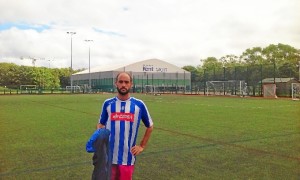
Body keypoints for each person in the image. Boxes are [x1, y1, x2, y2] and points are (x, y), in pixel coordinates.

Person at [96, 72, 154, 180]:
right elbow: (100, 124)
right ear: (116, 83)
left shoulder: (139, 105)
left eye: (126, 82)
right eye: (121, 82)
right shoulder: (108, 103)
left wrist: (141, 146)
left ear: (131, 84)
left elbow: (150, 126)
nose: (123, 85)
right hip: (108, 157)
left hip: (127, 158)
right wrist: (99, 139)